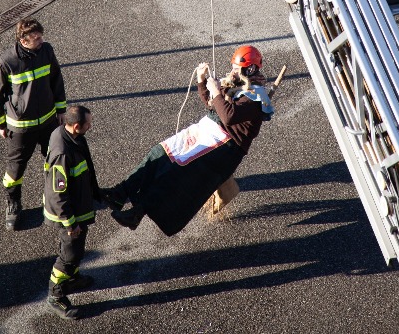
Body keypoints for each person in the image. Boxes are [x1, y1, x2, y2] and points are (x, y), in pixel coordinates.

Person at [102, 45, 274, 237]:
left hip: (225, 149)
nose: (232, 71)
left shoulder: (256, 97)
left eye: (236, 68)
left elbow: (228, 116)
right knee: (159, 153)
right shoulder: (237, 84)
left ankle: (138, 212)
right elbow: (212, 105)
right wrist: (202, 81)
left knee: (175, 175)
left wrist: (217, 92)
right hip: (208, 132)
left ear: (250, 69)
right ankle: (120, 193)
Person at [0, 18, 67, 231]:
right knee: (14, 171)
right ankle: (13, 204)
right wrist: (0, 124)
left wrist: (61, 110)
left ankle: (54, 199)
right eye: (37, 38)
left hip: (49, 122)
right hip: (21, 128)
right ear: (24, 41)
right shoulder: (4, 63)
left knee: (55, 162)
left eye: (41, 37)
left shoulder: (46, 51)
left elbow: (56, 80)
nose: (42, 41)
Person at [44, 104, 101, 320]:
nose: (90, 127)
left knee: (77, 247)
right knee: (69, 254)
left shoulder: (70, 136)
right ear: (77, 126)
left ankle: (72, 278)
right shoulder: (62, 152)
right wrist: (70, 223)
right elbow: (58, 193)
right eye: (88, 124)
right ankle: (56, 294)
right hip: (68, 213)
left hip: (77, 205)